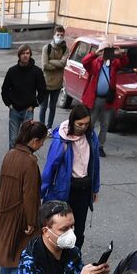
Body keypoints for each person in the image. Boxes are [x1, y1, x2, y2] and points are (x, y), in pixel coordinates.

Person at [0, 119, 46, 274]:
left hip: (4, 210)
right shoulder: (29, 162)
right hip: (20, 214)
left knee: (7, 249)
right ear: (34, 140)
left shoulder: (10, 154)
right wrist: (32, 221)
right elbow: (30, 195)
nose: (42, 144)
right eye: (42, 140)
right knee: (26, 251)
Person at [40, 106, 101, 248]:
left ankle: (75, 260)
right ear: (72, 121)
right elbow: (50, 168)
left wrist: (95, 189)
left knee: (78, 231)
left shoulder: (91, 136)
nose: (83, 127)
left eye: (86, 124)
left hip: (84, 190)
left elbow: (95, 164)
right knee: (61, 229)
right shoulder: (61, 140)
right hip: (65, 191)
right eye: (80, 124)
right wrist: (42, 193)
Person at [80, 46, 127, 155]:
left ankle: (100, 146)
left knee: (105, 124)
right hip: (95, 99)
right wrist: (95, 53)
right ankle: (86, 145)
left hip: (107, 100)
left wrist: (121, 53)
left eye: (110, 52)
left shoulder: (115, 64)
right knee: (90, 124)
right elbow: (85, 62)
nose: (108, 54)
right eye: (106, 52)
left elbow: (124, 62)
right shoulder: (96, 63)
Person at [2, 44, 47, 149]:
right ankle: (12, 162)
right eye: (23, 53)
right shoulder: (12, 71)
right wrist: (9, 104)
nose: (25, 56)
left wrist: (34, 105)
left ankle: (24, 161)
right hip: (14, 110)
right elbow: (4, 90)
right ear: (19, 55)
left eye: (27, 53)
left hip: (28, 110)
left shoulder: (37, 71)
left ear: (30, 55)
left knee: (26, 140)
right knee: (13, 140)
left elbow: (42, 91)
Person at [39, 26, 68, 127]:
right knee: (43, 107)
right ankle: (41, 127)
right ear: (54, 35)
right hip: (46, 83)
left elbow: (63, 64)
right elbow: (45, 65)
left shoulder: (65, 49)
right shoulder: (47, 48)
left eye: (61, 35)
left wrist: (51, 61)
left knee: (52, 107)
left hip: (57, 84)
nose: (59, 37)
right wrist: (58, 64)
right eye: (58, 35)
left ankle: (49, 127)